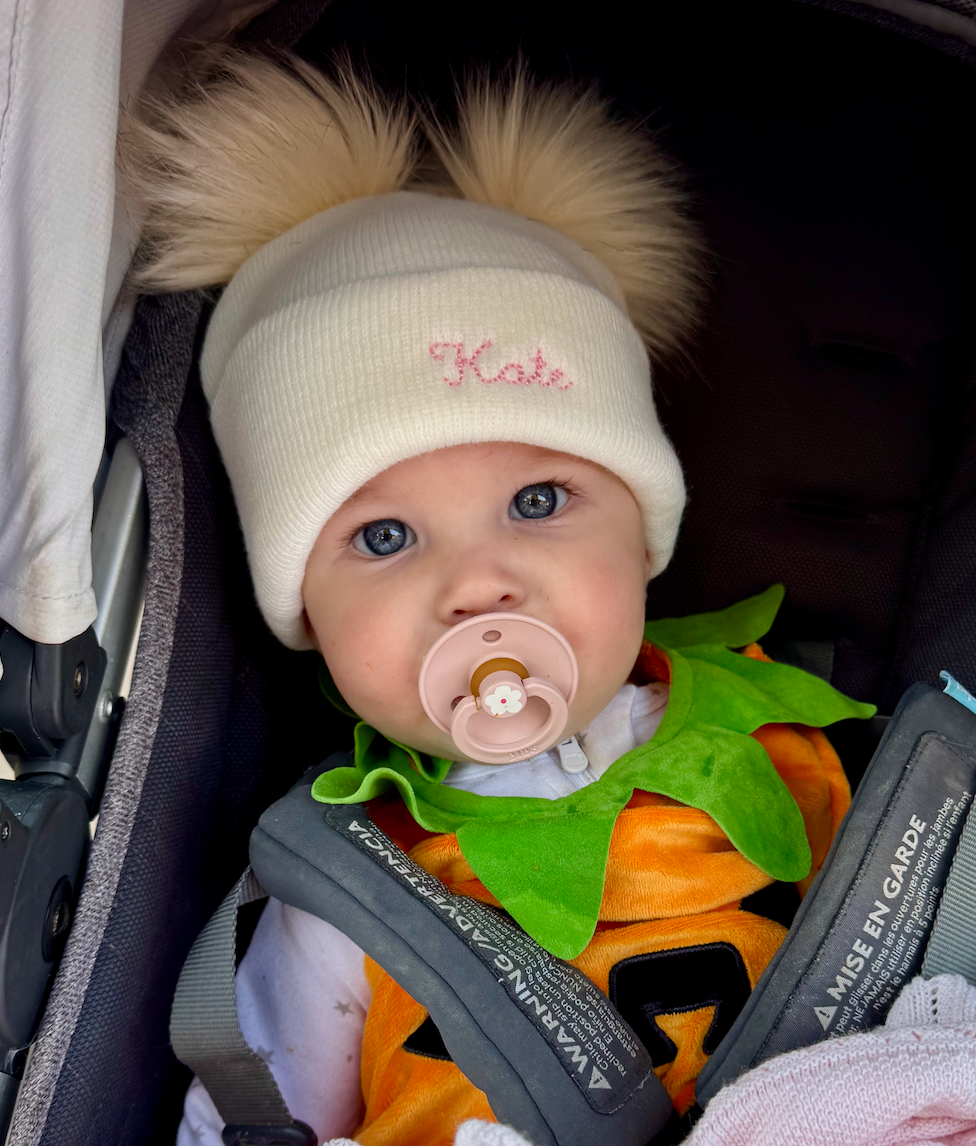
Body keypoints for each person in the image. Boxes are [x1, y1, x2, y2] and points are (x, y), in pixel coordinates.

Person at [122, 50, 875, 1146]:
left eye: (537, 499)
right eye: (382, 536)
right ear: (305, 616)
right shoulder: (344, 882)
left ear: (644, 528)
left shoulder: (794, 740)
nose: (476, 583)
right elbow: (262, 1122)